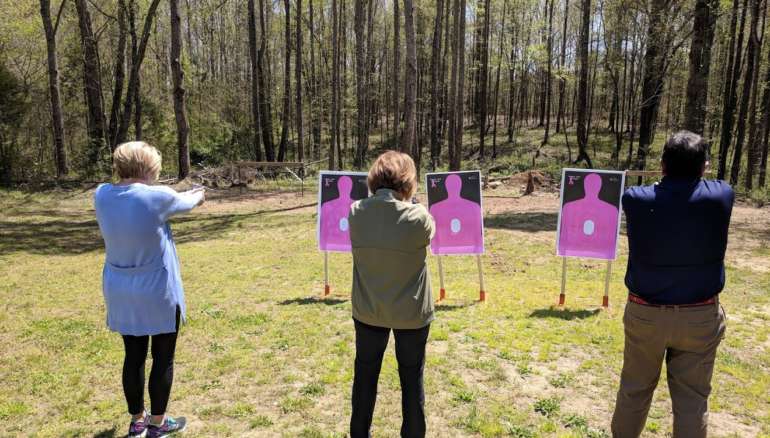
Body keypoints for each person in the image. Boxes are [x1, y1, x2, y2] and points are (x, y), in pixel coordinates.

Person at [611, 131, 733, 438]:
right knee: (692, 399)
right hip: (699, 316)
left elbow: (629, 190)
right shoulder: (720, 196)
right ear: (704, 167)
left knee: (634, 391)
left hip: (645, 315)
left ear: (662, 165)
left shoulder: (636, 199)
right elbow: (706, 182)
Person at [94, 141, 204, 438]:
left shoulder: (102, 194)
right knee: (163, 356)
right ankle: (157, 424)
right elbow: (189, 201)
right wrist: (199, 192)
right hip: (157, 289)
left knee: (134, 356)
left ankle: (137, 421)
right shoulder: (158, 196)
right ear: (148, 167)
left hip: (120, 288)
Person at [348, 151, 435, 438]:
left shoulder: (356, 211)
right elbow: (425, 228)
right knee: (412, 381)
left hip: (369, 310)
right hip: (411, 314)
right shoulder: (419, 217)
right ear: (408, 183)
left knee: (365, 377)